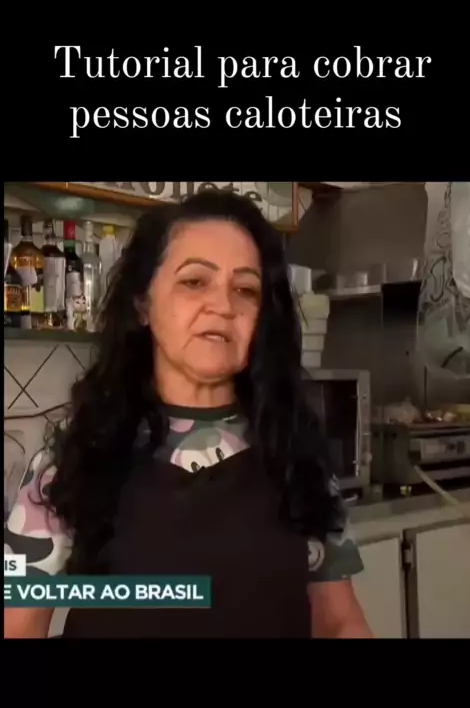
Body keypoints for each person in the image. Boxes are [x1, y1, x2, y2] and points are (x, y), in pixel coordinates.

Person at [4, 190, 372, 639]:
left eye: (245, 289)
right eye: (195, 281)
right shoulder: (73, 456)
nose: (223, 306)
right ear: (142, 303)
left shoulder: (296, 452)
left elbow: (339, 623)